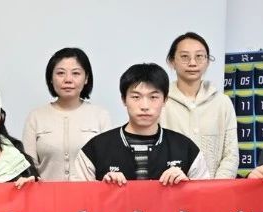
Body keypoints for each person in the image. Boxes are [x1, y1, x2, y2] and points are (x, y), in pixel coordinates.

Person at [72, 63, 207, 185]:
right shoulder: (95, 148)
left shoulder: (185, 148)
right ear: (124, 99)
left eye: (153, 97)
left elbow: (205, 195)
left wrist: (187, 185)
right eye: (136, 97)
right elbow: (77, 198)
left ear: (165, 100)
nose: (144, 106)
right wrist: (102, 189)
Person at [21, 47, 111, 181]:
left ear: (86, 78)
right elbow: (28, 168)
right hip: (47, 193)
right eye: (60, 73)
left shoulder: (100, 116)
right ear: (51, 78)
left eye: (76, 73)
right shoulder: (36, 117)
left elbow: (107, 164)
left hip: (89, 193)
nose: (68, 79)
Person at [160, 32, 239, 179]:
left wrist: (215, 187)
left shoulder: (222, 102)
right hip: (171, 186)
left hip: (214, 189)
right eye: (185, 56)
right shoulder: (161, 102)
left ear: (207, 61)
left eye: (199, 56)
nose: (192, 63)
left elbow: (231, 155)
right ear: (171, 61)